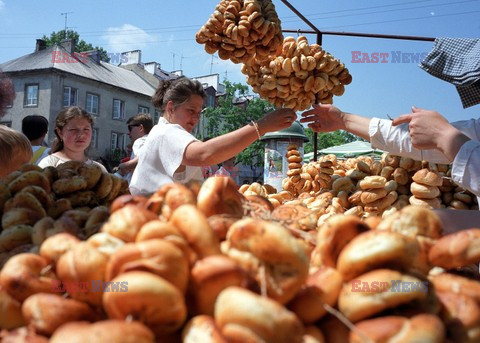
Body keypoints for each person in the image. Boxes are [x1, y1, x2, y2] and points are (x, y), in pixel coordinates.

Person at [130, 76, 296, 195]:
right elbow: (204, 154)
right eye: (190, 111)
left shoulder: (162, 132)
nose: (195, 118)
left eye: (198, 112)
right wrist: (262, 125)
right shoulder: (167, 132)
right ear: (171, 108)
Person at [38, 106, 107, 172]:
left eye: (86, 129)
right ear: (60, 133)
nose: (81, 134)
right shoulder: (49, 165)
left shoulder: (99, 169)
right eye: (73, 129)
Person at [115, 113, 153, 183]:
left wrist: (124, 166)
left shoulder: (140, 141)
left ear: (141, 128)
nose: (128, 133)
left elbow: (143, 158)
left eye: (130, 128)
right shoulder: (153, 141)